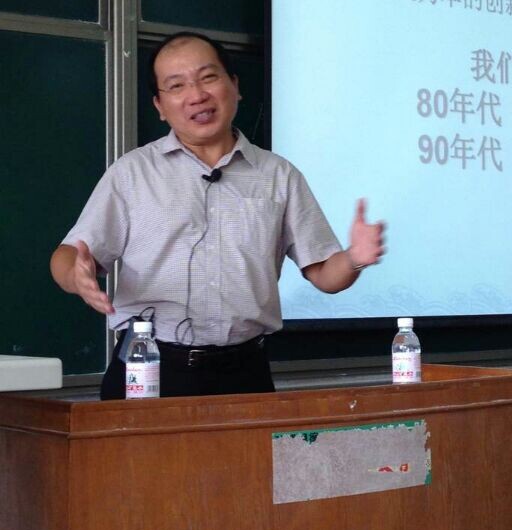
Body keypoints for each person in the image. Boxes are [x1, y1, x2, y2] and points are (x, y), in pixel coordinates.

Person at [50, 31, 385, 399]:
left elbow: (324, 273)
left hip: (244, 371)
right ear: (160, 106)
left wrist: (354, 258)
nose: (197, 95)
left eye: (208, 77)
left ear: (235, 86)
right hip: (148, 368)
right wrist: (76, 275)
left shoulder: (278, 175)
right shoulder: (132, 173)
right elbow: (66, 255)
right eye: (177, 86)